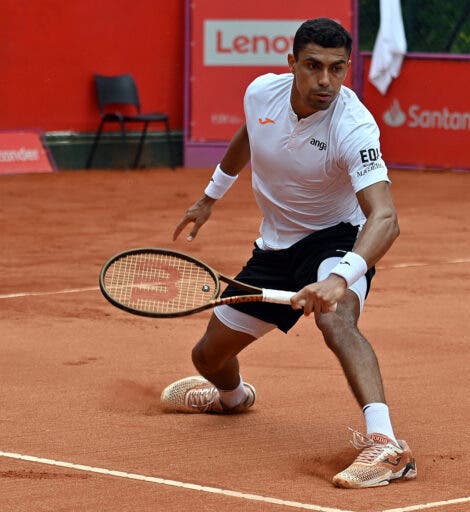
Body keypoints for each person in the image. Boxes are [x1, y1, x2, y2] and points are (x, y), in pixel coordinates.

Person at [162, 18, 416, 489]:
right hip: (275, 246)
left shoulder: (354, 125)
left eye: (338, 69)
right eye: (314, 66)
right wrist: (210, 195)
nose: (326, 82)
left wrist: (340, 277)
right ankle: (233, 398)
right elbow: (249, 137)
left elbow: (385, 218)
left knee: (335, 319)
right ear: (291, 64)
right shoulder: (262, 93)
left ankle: (386, 446)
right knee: (207, 358)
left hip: (336, 239)